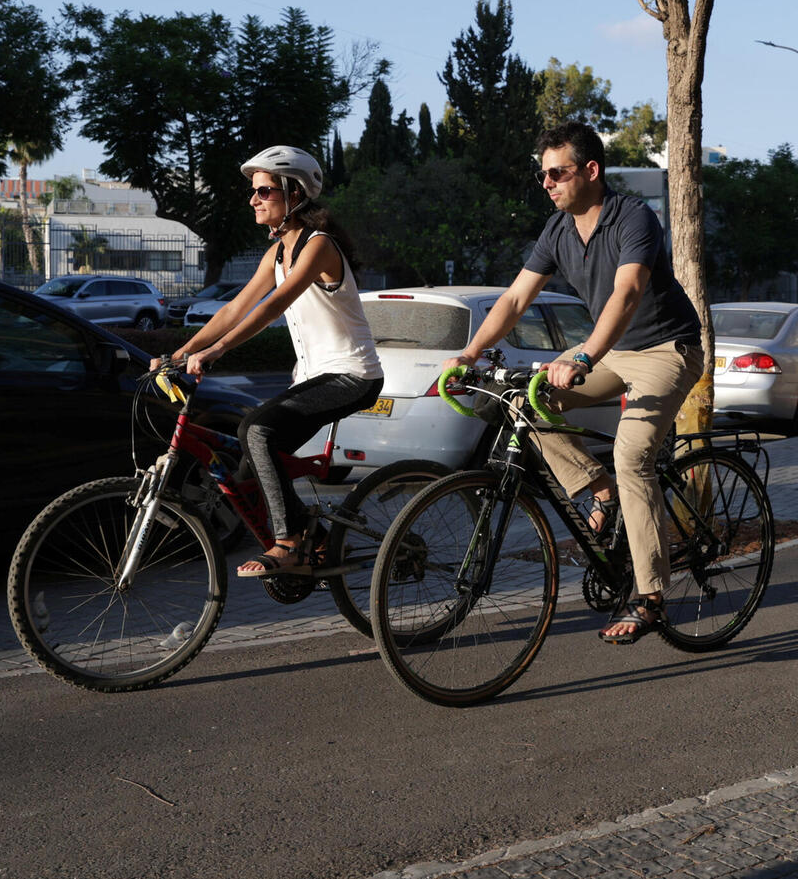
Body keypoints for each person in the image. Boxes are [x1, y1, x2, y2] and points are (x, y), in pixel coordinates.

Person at [440, 123, 706, 645]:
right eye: (542, 175)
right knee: (521, 402)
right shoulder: (557, 231)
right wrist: (471, 353)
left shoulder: (633, 217)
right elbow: (515, 300)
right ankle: (596, 487)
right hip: (614, 352)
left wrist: (583, 354)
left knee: (633, 456)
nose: (547, 183)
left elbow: (627, 292)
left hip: (666, 350)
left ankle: (650, 596)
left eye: (557, 173)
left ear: (590, 171)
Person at [163, 146, 383, 577]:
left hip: (352, 374)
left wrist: (217, 351)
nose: (254, 199)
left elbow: (275, 304)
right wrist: (180, 353)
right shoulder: (277, 252)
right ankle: (316, 539)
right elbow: (233, 309)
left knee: (258, 430)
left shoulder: (318, 246)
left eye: (264, 191)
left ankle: (289, 541)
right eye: (254, 191)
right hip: (316, 375)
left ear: (294, 193)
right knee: (250, 455)